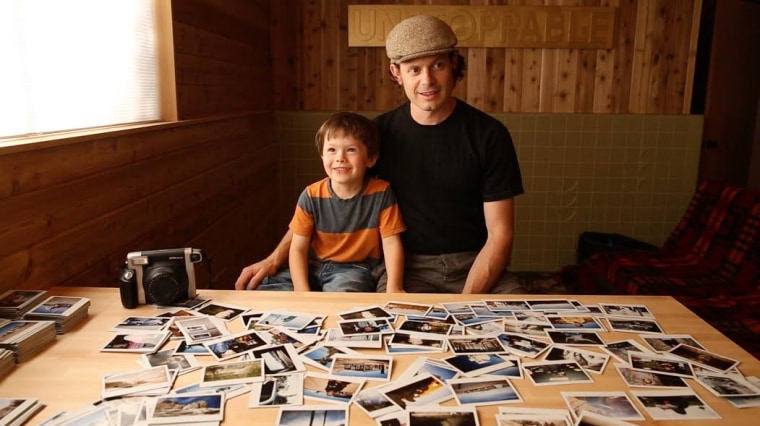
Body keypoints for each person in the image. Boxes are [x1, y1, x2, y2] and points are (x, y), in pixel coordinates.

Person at [235, 14, 525, 294]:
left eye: (437, 65)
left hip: (476, 261)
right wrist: (274, 259)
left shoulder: (490, 135)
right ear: (396, 73)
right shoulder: (377, 135)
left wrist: (462, 303)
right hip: (406, 267)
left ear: (453, 65)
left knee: (520, 325)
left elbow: (501, 235)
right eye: (414, 69)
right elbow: (324, 202)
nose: (427, 80)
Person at [250, 111, 406, 293]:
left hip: (354, 270)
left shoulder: (381, 193)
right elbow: (298, 249)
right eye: (332, 150)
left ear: (371, 159)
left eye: (351, 150)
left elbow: (391, 243)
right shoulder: (310, 195)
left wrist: (394, 287)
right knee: (263, 286)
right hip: (314, 267)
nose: (340, 157)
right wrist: (302, 292)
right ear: (322, 156)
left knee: (342, 295)